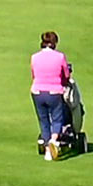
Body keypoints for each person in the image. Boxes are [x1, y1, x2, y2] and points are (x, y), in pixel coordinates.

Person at [31, 30, 70, 161]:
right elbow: (66, 75)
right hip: (54, 91)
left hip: (37, 91)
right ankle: (54, 140)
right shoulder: (60, 57)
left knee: (44, 120)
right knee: (57, 118)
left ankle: (48, 150)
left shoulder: (35, 57)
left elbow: (34, 74)